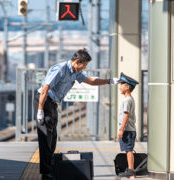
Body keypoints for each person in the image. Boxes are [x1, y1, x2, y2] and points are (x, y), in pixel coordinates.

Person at [33, 48, 119, 180]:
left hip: (52, 103)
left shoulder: (75, 72)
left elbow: (91, 81)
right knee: (46, 137)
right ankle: (46, 173)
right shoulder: (60, 69)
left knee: (53, 137)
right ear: (77, 62)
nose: (83, 68)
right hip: (43, 101)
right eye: (83, 66)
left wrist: (110, 81)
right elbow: (45, 89)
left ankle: (50, 167)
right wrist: (40, 111)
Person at [117, 72, 139, 179]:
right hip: (129, 129)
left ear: (127, 87)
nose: (120, 87)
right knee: (128, 150)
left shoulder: (127, 100)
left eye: (122, 85)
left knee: (129, 150)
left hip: (127, 130)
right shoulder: (130, 99)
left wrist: (121, 130)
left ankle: (131, 171)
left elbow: (126, 116)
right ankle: (131, 171)